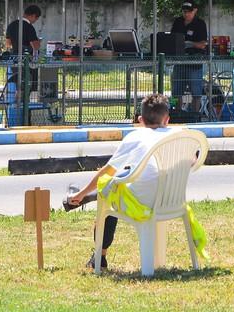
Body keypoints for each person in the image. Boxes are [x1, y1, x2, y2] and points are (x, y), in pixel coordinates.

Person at [66, 94, 177, 270]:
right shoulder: (178, 135)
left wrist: (81, 194)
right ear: (167, 119)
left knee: (108, 194)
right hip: (172, 201)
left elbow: (107, 171)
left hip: (142, 204)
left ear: (140, 120)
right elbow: (193, 160)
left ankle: (100, 257)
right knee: (116, 185)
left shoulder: (136, 137)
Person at [170, 0, 208, 116]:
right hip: (179, 62)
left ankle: (195, 116)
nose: (186, 14)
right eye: (184, 11)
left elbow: (203, 44)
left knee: (196, 93)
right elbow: (171, 38)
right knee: (176, 92)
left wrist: (189, 43)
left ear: (195, 10)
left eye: (189, 12)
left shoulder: (200, 24)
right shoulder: (178, 22)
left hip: (194, 64)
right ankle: (177, 114)